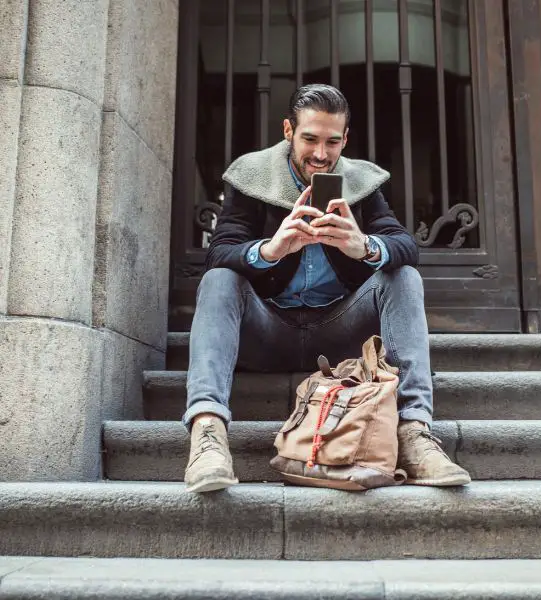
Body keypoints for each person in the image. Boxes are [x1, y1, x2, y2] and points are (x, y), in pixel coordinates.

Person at [183, 84, 471, 492]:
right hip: (266, 331)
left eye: (332, 141)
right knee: (219, 280)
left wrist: (364, 246)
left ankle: (413, 432)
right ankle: (207, 435)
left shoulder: (361, 183)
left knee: (402, 274)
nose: (321, 154)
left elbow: (405, 246)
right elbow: (219, 252)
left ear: (345, 139)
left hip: (339, 333)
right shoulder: (251, 176)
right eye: (310, 139)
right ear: (288, 131)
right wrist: (270, 249)